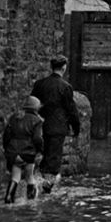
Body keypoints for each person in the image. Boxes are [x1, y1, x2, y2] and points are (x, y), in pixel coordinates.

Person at [31, 56, 80, 194]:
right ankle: (44, 190)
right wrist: (76, 128)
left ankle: (36, 184)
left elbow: (32, 104)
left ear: (51, 67)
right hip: (57, 128)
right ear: (63, 68)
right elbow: (71, 110)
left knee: (42, 156)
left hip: (39, 127)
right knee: (53, 160)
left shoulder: (39, 84)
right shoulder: (65, 87)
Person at [2, 95, 44, 203]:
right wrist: (40, 151)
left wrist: (7, 149)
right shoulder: (37, 121)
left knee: (15, 176)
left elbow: (6, 135)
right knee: (30, 176)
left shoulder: (14, 117)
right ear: (36, 108)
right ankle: (30, 202)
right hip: (28, 153)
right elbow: (37, 139)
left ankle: (8, 197)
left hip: (13, 152)